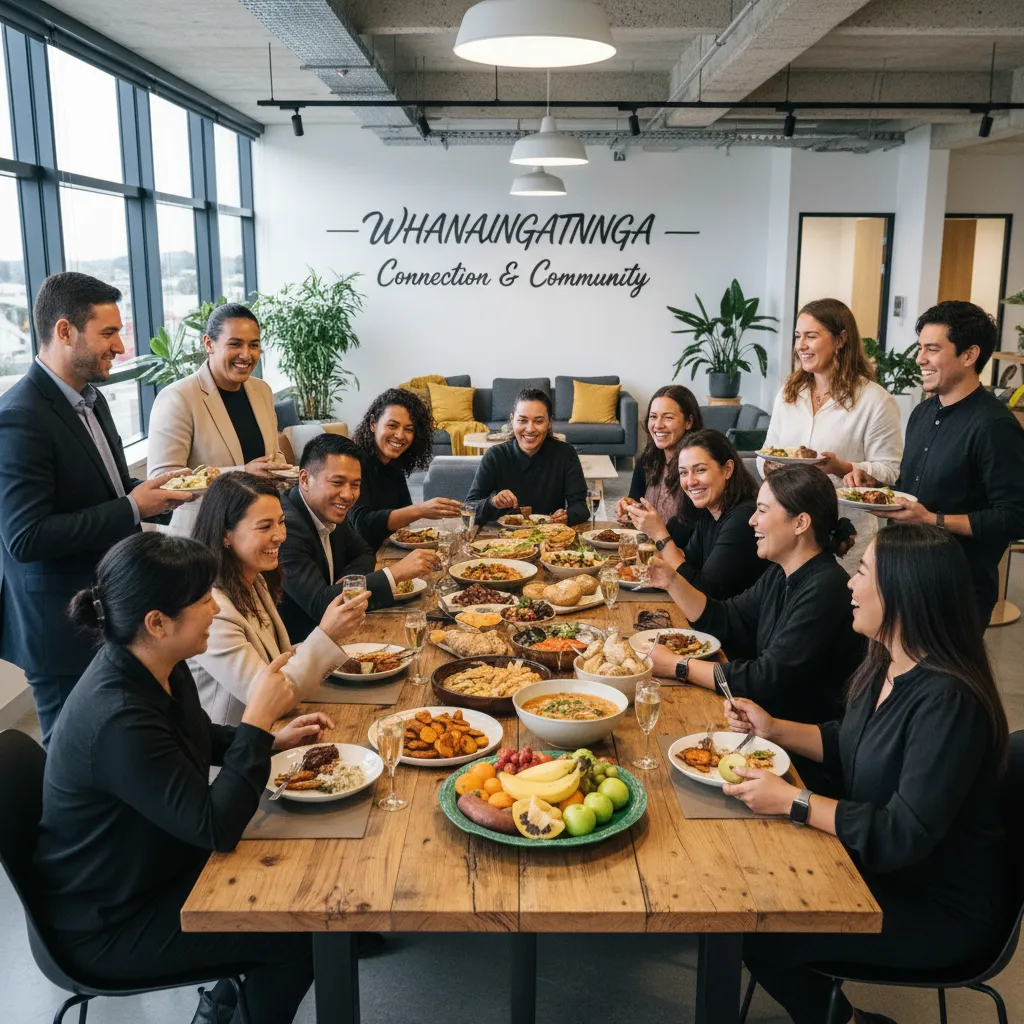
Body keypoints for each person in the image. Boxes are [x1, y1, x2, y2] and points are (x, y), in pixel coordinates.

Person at [34, 531, 327, 1024]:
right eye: (202, 599)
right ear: (156, 621)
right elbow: (216, 827)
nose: (215, 607)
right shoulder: (117, 717)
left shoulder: (152, 661)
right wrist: (256, 724)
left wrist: (267, 740)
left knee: (305, 863)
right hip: (111, 921)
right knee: (303, 933)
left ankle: (223, 1003)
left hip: (155, 863)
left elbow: (193, 733)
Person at [727, 524, 1010, 1024]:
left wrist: (794, 801)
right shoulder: (888, 660)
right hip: (876, 866)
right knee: (746, 886)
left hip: (934, 905)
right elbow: (849, 740)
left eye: (861, 572)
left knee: (753, 928)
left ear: (905, 592)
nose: (850, 585)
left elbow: (902, 833)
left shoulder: (949, 702)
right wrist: (774, 730)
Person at [0, 272, 191, 745]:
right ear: (64, 332)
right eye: (108, 333)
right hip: (59, 629)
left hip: (110, 610)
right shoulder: (19, 417)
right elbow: (25, 538)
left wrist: (157, 495)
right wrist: (132, 506)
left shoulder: (91, 398)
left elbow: (106, 490)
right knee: (74, 766)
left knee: (123, 749)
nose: (121, 347)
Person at [847, 301, 1024, 628]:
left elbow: (1014, 517)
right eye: (920, 348)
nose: (919, 359)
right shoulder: (923, 413)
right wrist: (876, 488)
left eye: (932, 349)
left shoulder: (994, 426)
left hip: (956, 590)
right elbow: (913, 493)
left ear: (969, 355)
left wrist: (932, 519)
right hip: (903, 574)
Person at [647, 465, 864, 727]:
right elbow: (726, 619)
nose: (752, 520)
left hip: (795, 747)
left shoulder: (825, 587)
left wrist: (678, 666)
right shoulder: (781, 573)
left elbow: (764, 680)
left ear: (800, 523)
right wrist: (671, 580)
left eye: (762, 510)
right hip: (759, 720)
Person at [189, 473, 370, 726]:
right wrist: (326, 634)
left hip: (275, 733)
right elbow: (268, 699)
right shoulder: (212, 610)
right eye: (265, 527)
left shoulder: (254, 580)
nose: (280, 536)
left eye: (281, 522)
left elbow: (278, 659)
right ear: (225, 535)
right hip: (237, 751)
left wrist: (327, 638)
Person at [760, 298, 903, 567]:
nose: (801, 345)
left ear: (840, 340)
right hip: (788, 529)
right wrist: (769, 465)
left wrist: (842, 467)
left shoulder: (875, 400)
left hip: (846, 536)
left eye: (811, 336)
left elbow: (890, 471)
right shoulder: (789, 394)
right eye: (798, 336)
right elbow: (767, 451)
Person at [278, 433, 439, 641]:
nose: (348, 494)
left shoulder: (328, 508)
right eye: (337, 482)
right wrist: (395, 573)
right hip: (300, 649)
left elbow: (364, 552)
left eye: (355, 485)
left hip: (340, 635)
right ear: (305, 479)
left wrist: (351, 583)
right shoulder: (285, 527)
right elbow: (321, 605)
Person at [147, 303, 289, 536]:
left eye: (254, 345)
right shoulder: (178, 397)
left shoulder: (261, 390)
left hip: (255, 531)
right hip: (201, 535)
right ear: (208, 344)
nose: (246, 354)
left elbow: (272, 455)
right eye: (235, 344)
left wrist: (281, 472)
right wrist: (241, 473)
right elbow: (164, 480)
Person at [625, 429, 766, 600]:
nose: (690, 482)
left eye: (700, 470)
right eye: (684, 472)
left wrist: (659, 534)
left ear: (728, 469)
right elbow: (686, 561)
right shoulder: (710, 511)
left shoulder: (744, 519)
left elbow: (703, 592)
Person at [348, 387, 464, 550]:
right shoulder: (354, 464)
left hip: (386, 548)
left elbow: (404, 511)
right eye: (392, 426)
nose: (400, 435)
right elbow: (362, 524)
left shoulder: (393, 464)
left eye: (408, 429)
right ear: (373, 424)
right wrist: (421, 509)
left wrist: (433, 511)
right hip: (359, 560)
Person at [465, 388, 589, 525]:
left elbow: (581, 507)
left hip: (549, 537)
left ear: (550, 422)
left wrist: (567, 516)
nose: (530, 429)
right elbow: (468, 509)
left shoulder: (565, 453)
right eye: (522, 420)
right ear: (512, 420)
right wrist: (492, 502)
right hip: (501, 540)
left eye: (539, 421)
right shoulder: (495, 455)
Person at [616, 384, 703, 547]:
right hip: (646, 548)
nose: (658, 425)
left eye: (668, 418)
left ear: (689, 421)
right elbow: (637, 501)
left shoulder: (696, 470)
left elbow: (691, 531)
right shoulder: (646, 460)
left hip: (679, 556)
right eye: (653, 417)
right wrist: (630, 510)